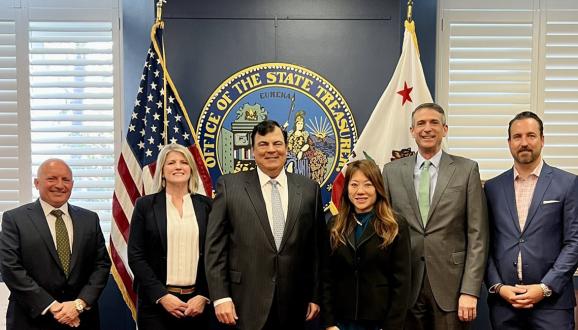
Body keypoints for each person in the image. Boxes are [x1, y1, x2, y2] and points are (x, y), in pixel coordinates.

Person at [205, 119, 327, 330]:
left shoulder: (309, 189)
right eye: (263, 144)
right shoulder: (230, 186)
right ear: (253, 150)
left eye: (277, 143)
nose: (271, 150)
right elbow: (214, 248)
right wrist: (220, 296)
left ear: (286, 148)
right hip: (244, 304)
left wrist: (315, 295)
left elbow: (316, 249)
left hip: (296, 305)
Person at [382, 102, 488, 329]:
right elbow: (385, 229)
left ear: (445, 129)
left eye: (434, 123)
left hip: (451, 288)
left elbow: (477, 235)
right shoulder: (391, 172)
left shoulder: (467, 170)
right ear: (412, 131)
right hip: (406, 286)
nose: (427, 128)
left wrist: (470, 290)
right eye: (420, 123)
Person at [484, 111, 578, 330]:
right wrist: (498, 286)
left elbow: (574, 243)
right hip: (504, 305)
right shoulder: (492, 188)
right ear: (509, 143)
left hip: (552, 305)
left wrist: (545, 287)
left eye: (531, 135)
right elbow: (484, 243)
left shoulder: (568, 184)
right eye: (517, 137)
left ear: (542, 140)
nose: (524, 142)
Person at [0, 158, 111, 329]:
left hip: (81, 318)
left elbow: (101, 265)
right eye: (52, 179)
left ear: (72, 184)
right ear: (37, 183)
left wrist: (78, 304)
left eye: (66, 180)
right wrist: (53, 306)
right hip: (30, 319)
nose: (60, 185)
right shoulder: (14, 219)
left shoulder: (89, 219)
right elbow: (10, 267)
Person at [128, 144, 213, 330]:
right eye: (171, 163)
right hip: (156, 304)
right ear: (162, 171)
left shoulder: (208, 206)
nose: (178, 167)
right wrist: (162, 296)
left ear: (191, 169)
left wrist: (203, 295)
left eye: (184, 162)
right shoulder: (144, 206)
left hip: (197, 305)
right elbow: (136, 256)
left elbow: (216, 256)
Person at [323, 159, 411, 330]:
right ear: (347, 189)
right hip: (342, 322)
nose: (360, 191)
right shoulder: (334, 225)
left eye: (368, 185)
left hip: (379, 322)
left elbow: (402, 283)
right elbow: (327, 278)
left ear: (377, 188)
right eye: (354, 185)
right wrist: (329, 323)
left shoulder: (395, 225)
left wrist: (391, 326)